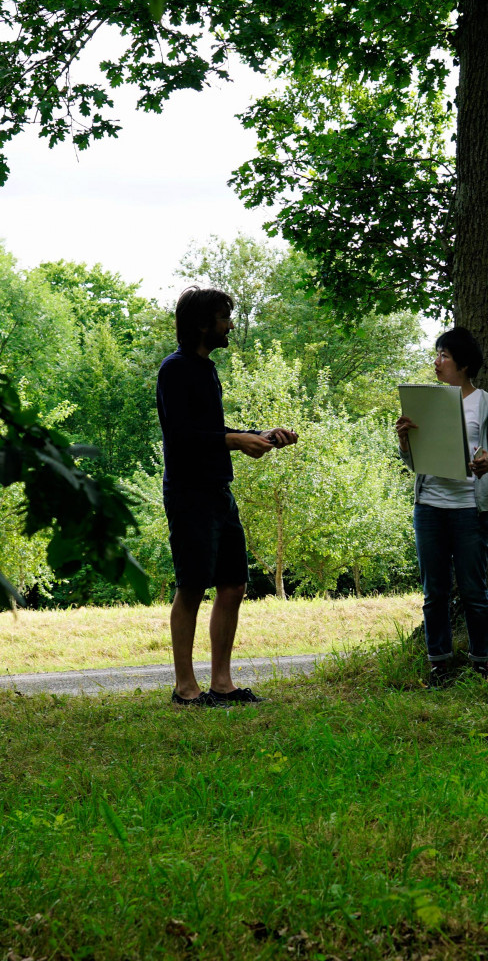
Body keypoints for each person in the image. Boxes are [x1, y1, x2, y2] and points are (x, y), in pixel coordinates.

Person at [157, 287, 298, 707]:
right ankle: (186, 689)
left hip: (220, 492)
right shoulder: (175, 370)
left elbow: (212, 431)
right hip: (188, 494)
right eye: (224, 318)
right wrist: (236, 441)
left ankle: (222, 684)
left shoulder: (206, 369)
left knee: (233, 585)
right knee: (192, 586)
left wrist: (258, 435)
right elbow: (180, 437)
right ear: (203, 324)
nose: (230, 325)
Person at [395, 326, 488, 685]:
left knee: (473, 591)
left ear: (463, 364)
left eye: (444, 355)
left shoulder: (486, 403)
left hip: (470, 509)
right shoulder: (428, 402)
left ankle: (481, 664)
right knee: (434, 593)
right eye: (437, 354)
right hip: (429, 508)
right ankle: (440, 665)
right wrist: (405, 443)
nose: (436, 362)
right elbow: (412, 463)